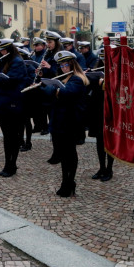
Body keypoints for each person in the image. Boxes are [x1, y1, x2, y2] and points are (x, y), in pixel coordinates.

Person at [41, 50, 89, 196]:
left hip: (70, 123)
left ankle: (69, 182)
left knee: (69, 153)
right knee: (64, 154)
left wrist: (53, 89)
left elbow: (67, 93)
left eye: (66, 64)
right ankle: (65, 182)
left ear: (72, 64)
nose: (63, 67)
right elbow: (53, 93)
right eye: (61, 65)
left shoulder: (77, 79)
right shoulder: (63, 78)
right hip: (60, 121)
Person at [0, 39, 28, 177]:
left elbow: (9, 82)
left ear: (8, 50)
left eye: (3, 50)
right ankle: (8, 163)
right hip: (2, 104)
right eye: (0, 50)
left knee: (12, 137)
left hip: (12, 104)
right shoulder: (3, 60)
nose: (1, 52)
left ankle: (11, 165)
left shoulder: (17, 62)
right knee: (7, 137)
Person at [87, 47, 114, 182]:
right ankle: (102, 167)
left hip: (111, 109)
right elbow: (90, 87)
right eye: (102, 58)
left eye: (106, 58)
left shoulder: (117, 70)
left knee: (109, 141)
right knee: (99, 141)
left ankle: (109, 168)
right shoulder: (98, 68)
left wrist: (106, 82)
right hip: (97, 108)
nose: (104, 60)